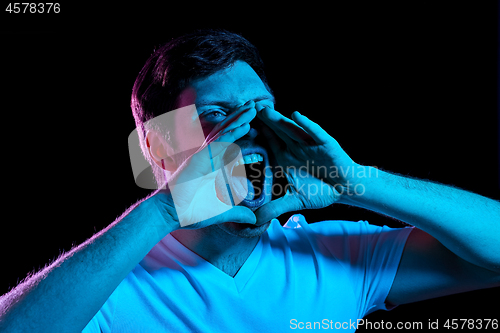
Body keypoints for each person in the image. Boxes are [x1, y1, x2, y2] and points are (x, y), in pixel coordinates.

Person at [1, 29, 499, 333]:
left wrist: (354, 183)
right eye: (218, 117)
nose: (250, 136)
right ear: (155, 147)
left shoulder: (338, 256)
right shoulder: (107, 282)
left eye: (260, 114)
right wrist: (168, 208)